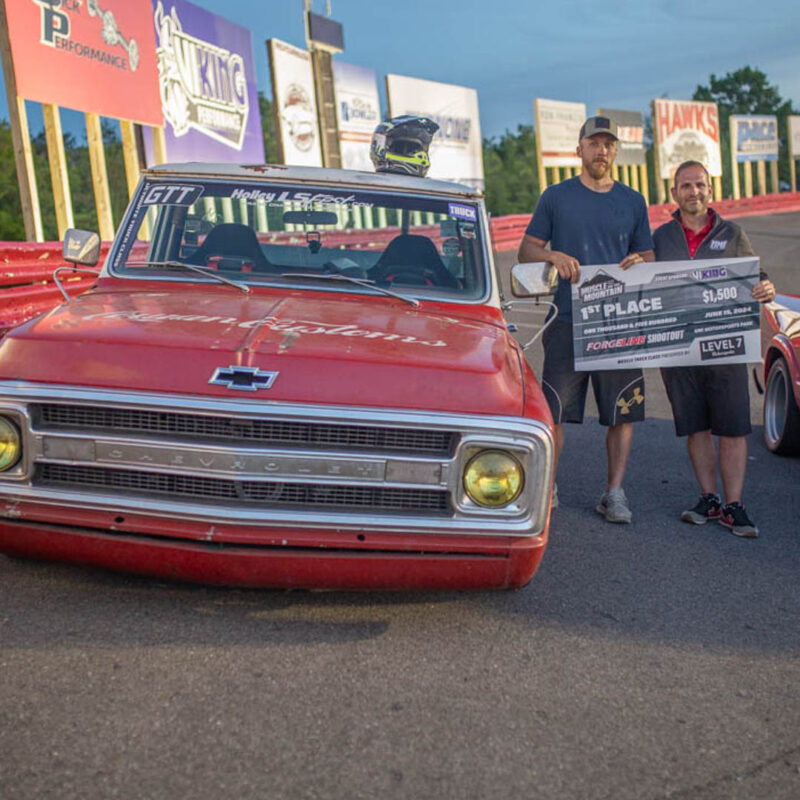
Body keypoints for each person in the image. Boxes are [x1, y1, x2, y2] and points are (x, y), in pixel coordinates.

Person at [517, 116, 654, 523]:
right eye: (594, 143)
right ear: (579, 149)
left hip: (619, 323)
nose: (602, 151)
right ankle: (549, 487)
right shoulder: (556, 197)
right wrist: (552, 255)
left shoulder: (632, 201)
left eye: (609, 144)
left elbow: (647, 256)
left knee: (621, 413)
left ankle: (614, 492)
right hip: (567, 322)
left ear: (616, 151)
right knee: (554, 412)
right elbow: (526, 249)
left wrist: (638, 261)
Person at [653, 160, 776, 538]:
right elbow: (639, 281)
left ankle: (733, 506)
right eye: (686, 186)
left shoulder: (732, 233)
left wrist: (765, 286)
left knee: (734, 428)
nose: (694, 192)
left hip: (726, 348)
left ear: (710, 190)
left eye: (700, 185)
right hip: (679, 349)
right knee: (697, 426)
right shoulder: (659, 238)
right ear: (674, 193)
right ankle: (708, 498)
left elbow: (755, 274)